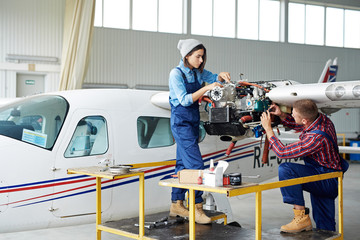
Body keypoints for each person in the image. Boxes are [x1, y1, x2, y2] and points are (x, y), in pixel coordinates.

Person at [168, 39, 231, 224]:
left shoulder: (198, 72)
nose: (201, 60)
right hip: (181, 122)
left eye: (203, 56)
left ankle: (176, 204)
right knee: (195, 165)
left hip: (193, 122)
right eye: (198, 56)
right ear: (187, 56)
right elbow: (185, 100)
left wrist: (220, 76)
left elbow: (213, 78)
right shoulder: (176, 74)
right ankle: (196, 207)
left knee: (182, 164)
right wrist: (206, 88)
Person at [260, 99, 345, 233]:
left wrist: (268, 129)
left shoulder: (315, 138)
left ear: (305, 120)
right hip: (328, 174)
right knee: (325, 224)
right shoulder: (322, 120)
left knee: (286, 170)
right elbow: (300, 125)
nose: (292, 116)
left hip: (326, 179)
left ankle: (301, 218)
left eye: (293, 114)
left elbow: (282, 152)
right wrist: (282, 115)